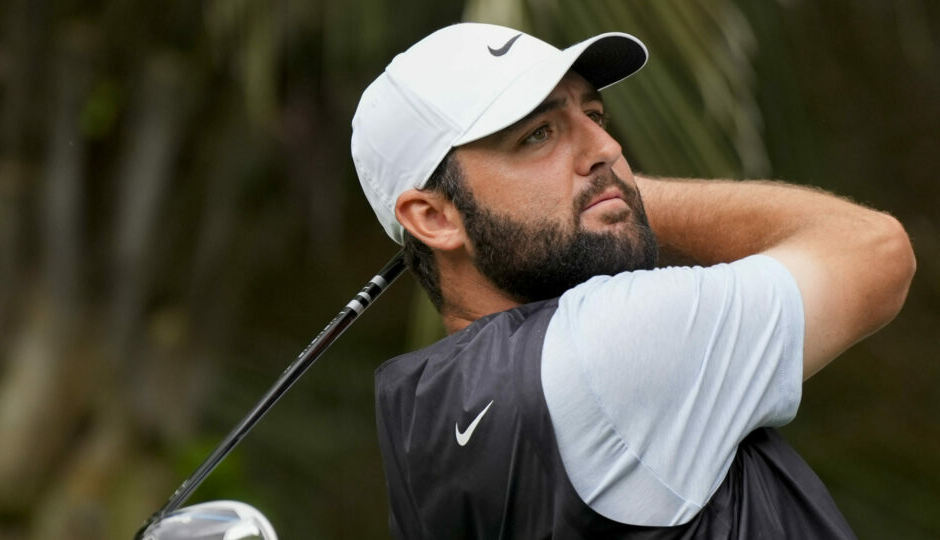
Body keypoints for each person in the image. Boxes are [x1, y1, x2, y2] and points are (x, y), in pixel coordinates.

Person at [350, 23, 915, 539]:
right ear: (434, 217)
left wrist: (596, 194)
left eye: (593, 118)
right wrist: (615, 194)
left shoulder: (420, 421)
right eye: (538, 135)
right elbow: (874, 250)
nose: (609, 150)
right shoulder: (604, 341)